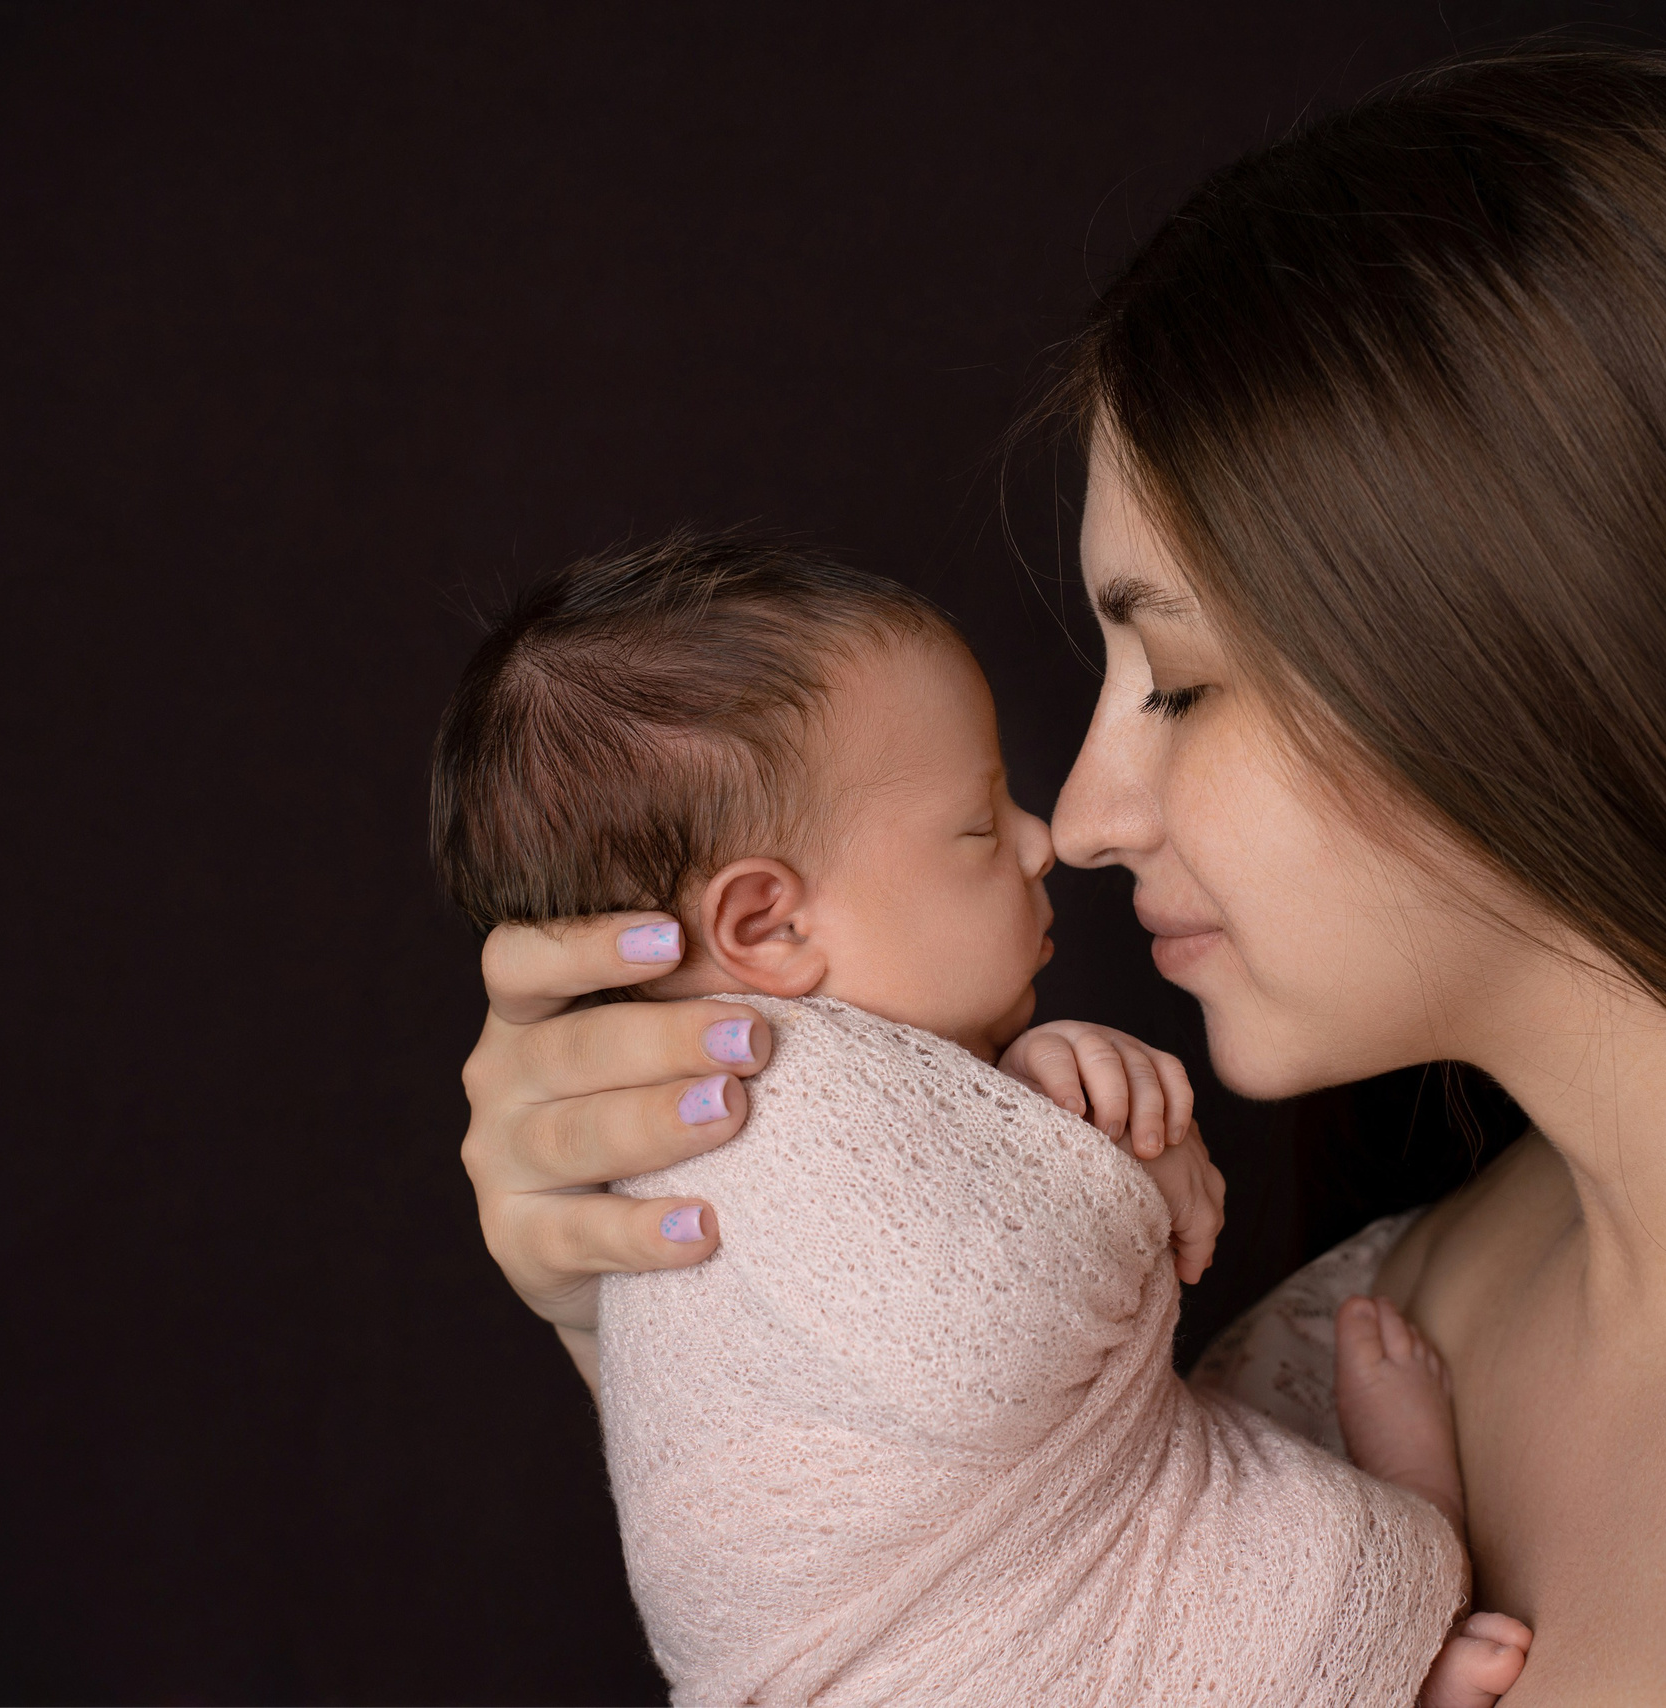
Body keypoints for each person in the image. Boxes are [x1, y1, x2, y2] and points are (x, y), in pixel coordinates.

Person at [453, 41, 1666, 1703]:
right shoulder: (1408, 1297)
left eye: (1182, 679)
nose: (1096, 806)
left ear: (1552, 656)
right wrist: (683, 1306)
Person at [430, 535, 1528, 1705]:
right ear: (766, 926)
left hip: (1002, 1594)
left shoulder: (813, 1094)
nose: (1044, 836)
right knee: (1302, 1569)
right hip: (909, 1651)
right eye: (975, 825)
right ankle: (1390, 1611)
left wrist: (1053, 1106)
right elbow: (975, 1334)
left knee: (1223, 1553)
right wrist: (1122, 1178)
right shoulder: (771, 1101)